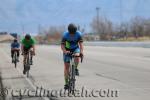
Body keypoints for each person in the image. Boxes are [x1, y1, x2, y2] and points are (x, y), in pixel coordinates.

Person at [61, 23, 84, 89]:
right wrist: (65, 52)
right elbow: (62, 46)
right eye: (71, 33)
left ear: (76, 31)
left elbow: (81, 44)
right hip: (67, 49)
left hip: (75, 48)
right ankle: (66, 83)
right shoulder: (65, 35)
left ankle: (75, 68)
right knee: (66, 67)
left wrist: (81, 52)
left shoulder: (78, 34)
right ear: (68, 31)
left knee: (77, 56)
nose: (73, 34)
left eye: (74, 33)